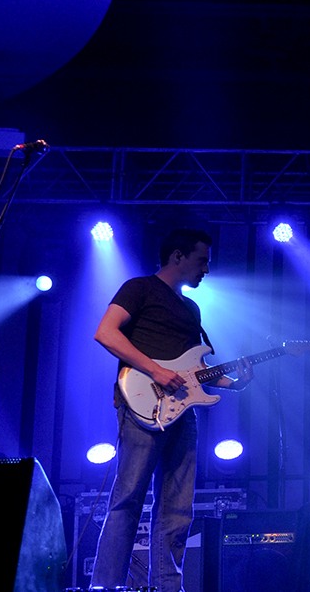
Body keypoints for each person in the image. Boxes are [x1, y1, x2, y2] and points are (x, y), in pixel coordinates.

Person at [90, 228, 252, 591]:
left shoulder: (192, 309)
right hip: (142, 404)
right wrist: (156, 370)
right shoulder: (139, 288)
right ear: (177, 256)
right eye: (202, 260)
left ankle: (167, 587)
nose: (206, 269)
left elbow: (197, 373)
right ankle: (104, 587)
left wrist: (234, 382)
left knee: (178, 509)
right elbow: (106, 332)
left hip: (182, 411)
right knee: (128, 498)